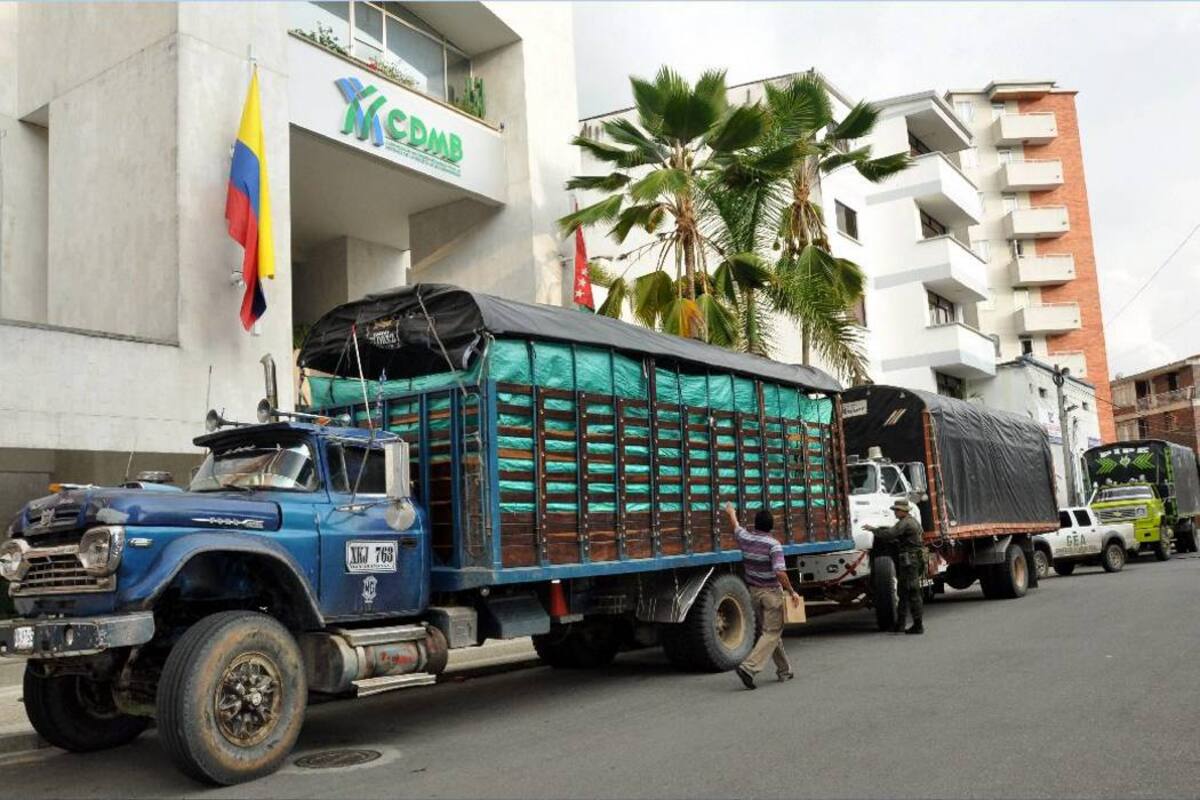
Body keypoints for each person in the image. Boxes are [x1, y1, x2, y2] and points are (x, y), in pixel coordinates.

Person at [724, 502, 801, 690]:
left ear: (755, 524)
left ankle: (785, 670)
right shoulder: (773, 545)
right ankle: (748, 668)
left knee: (770, 632)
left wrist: (731, 512)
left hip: (754, 593)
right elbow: (780, 572)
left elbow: (735, 526)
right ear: (771, 526)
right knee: (772, 632)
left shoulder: (745, 538)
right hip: (771, 594)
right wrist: (792, 591)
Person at [867, 498, 925, 635]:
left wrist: (873, 530)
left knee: (912, 592)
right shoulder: (911, 522)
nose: (895, 513)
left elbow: (889, 534)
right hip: (910, 560)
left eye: (896, 510)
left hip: (909, 561)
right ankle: (900, 625)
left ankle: (918, 625)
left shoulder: (905, 523)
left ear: (903, 511)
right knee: (903, 592)